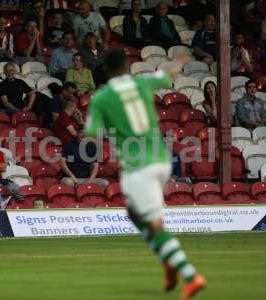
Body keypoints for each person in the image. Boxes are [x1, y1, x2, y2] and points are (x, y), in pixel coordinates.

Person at [85, 48, 206, 298]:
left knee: (154, 225)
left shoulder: (102, 97)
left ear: (105, 70)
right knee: (134, 213)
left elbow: (90, 132)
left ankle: (190, 275)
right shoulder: (141, 82)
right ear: (128, 65)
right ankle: (168, 261)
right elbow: (166, 73)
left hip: (138, 166)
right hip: (163, 160)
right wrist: (180, 60)